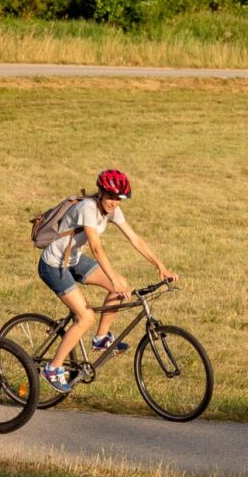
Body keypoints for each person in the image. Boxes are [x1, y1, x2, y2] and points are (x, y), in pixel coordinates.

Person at [37, 168, 177, 393]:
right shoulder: (87, 208)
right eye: (111, 197)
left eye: (119, 199)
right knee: (86, 317)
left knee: (119, 285)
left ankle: (101, 339)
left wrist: (160, 266)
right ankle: (53, 368)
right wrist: (113, 278)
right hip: (53, 264)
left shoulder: (112, 211)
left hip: (73, 260)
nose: (114, 202)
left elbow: (135, 239)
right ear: (100, 192)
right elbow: (96, 247)